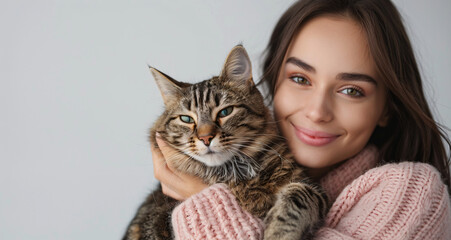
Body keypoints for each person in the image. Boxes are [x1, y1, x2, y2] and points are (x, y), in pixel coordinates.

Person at [152, 0, 451, 239]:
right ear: (271, 85)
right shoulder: (223, 163)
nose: (317, 111)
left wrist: (206, 202)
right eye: (299, 78)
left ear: (388, 107)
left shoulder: (414, 192)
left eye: (351, 90)